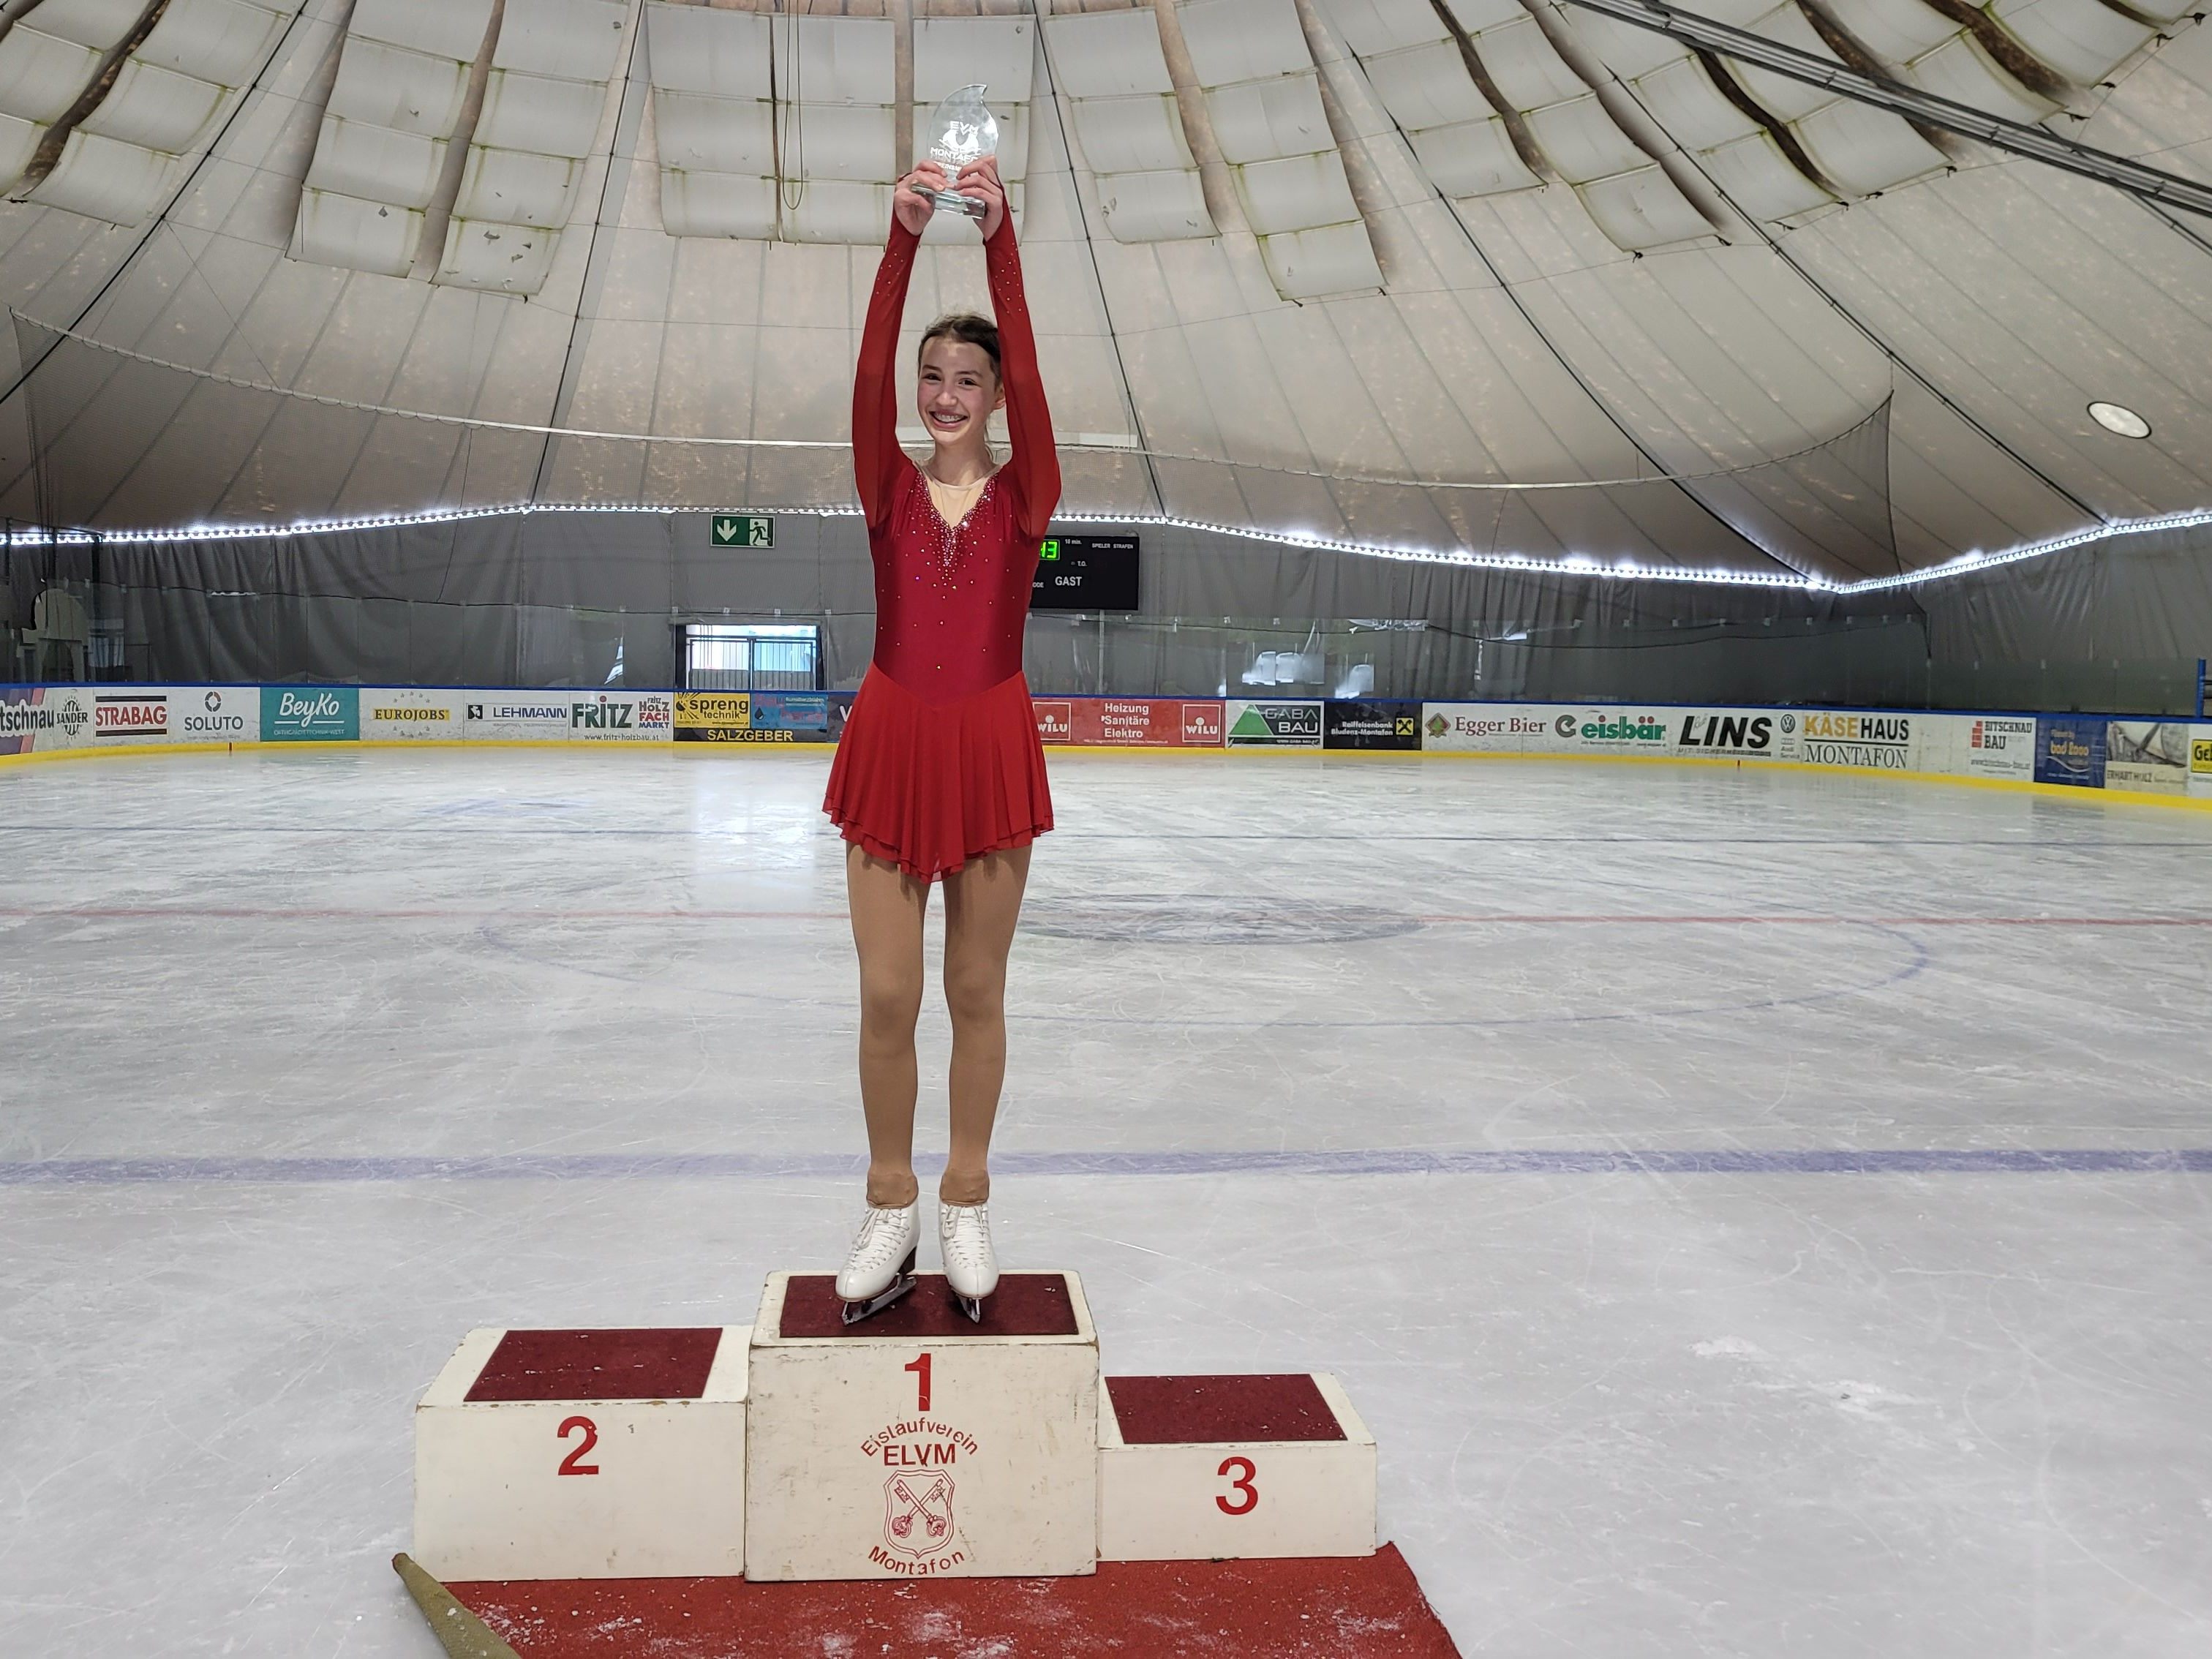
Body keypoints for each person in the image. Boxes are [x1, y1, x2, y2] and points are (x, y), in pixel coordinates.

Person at [823, 153, 1060, 1323]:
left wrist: (1000, 244)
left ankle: (965, 1194)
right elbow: (866, 378)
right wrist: (903, 241)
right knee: (886, 995)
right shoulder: (887, 487)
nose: (945, 392)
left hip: (989, 749)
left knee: (975, 987)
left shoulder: (1029, 498)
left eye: (969, 377)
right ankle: (889, 1200)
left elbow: (1037, 385)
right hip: (893, 741)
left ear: (997, 395)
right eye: (935, 376)